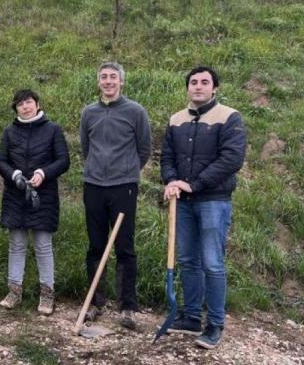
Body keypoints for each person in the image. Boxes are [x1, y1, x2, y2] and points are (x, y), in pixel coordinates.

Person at [161, 66, 246, 349]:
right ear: (188, 87)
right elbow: (167, 156)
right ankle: (191, 317)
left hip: (213, 201)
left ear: (215, 88)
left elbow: (231, 159)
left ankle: (215, 324)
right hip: (183, 202)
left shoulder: (229, 117)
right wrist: (171, 180)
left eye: (204, 82)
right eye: (193, 82)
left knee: (212, 263)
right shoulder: (176, 120)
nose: (198, 86)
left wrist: (194, 184)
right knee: (188, 260)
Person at [79, 61, 151, 330]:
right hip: (94, 186)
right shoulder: (89, 113)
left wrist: (127, 171)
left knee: (124, 247)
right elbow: (86, 147)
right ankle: (95, 303)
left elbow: (144, 148)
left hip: (124, 187)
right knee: (96, 246)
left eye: (113, 77)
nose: (108, 81)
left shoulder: (135, 112)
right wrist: (98, 170)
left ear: (121, 82)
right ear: (98, 82)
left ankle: (127, 307)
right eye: (103, 77)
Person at [0, 89, 70, 315]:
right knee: (16, 245)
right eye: (20, 104)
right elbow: (1, 161)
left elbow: (63, 160)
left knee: (43, 246)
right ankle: (14, 291)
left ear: (37, 104)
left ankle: (47, 294)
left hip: (43, 196)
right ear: (15, 108)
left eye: (28, 102)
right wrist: (14, 175)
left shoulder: (53, 130)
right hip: (15, 195)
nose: (25, 107)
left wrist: (43, 173)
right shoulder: (9, 132)